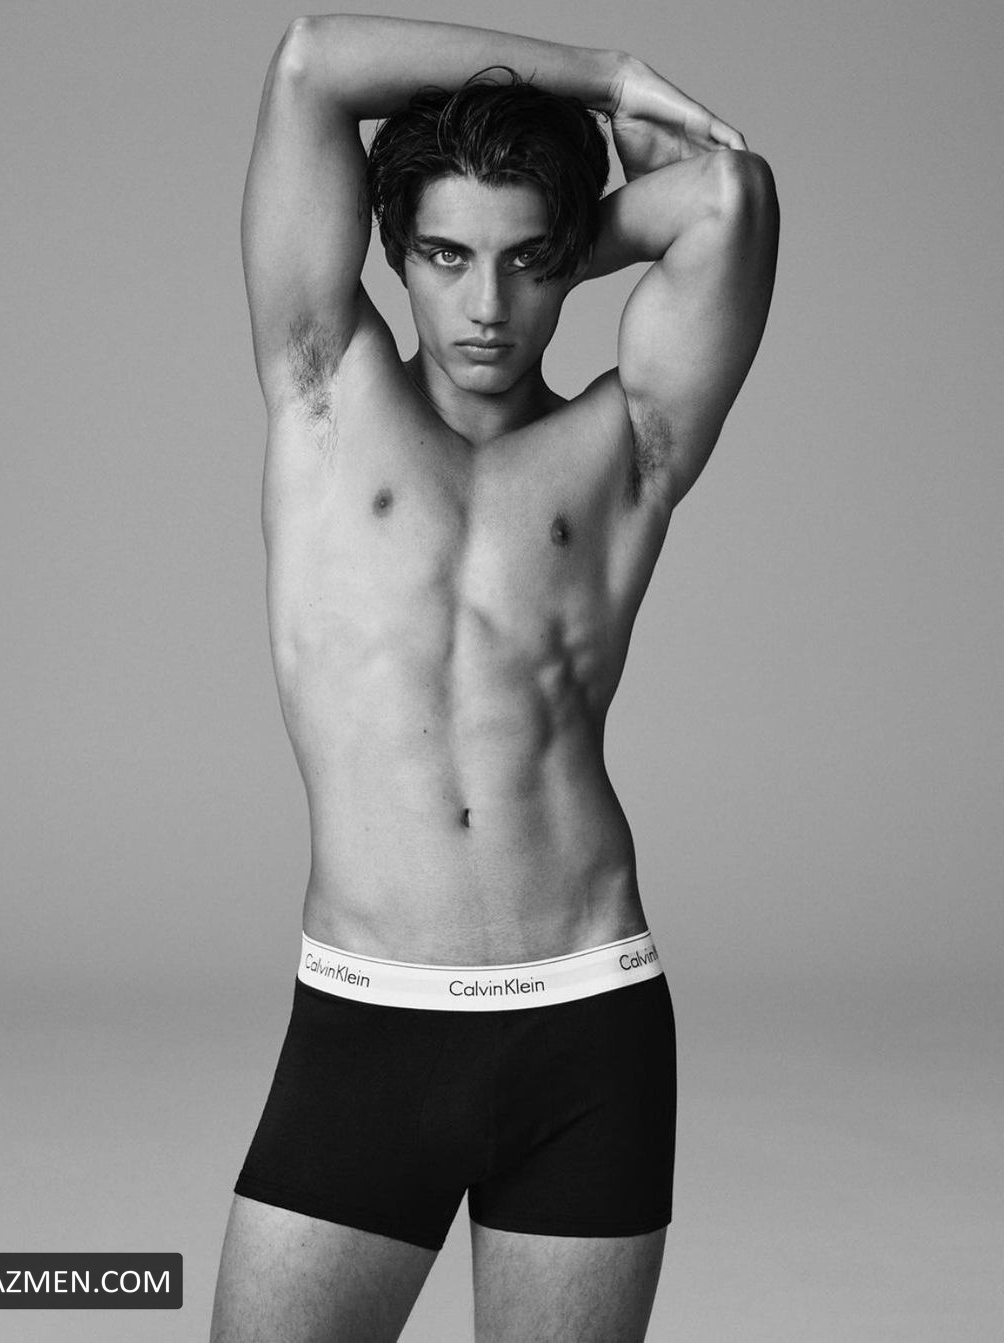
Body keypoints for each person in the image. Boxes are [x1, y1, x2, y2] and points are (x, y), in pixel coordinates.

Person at [210, 14, 778, 1342]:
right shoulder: (322, 390)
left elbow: (730, 197)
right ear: (390, 249)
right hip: (370, 1025)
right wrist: (609, 78)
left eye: (528, 264)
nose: (487, 306)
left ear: (565, 260)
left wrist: (575, 229)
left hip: (589, 1021)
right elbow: (310, 63)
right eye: (447, 257)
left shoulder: (626, 448)